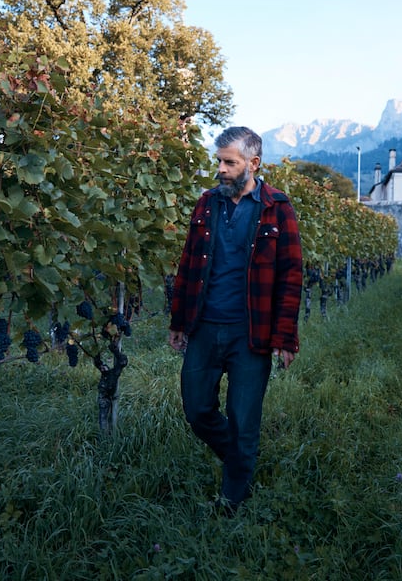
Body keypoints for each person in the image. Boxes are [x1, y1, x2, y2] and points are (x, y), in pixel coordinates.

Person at [168, 126, 303, 515]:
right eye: (220, 161)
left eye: (230, 162)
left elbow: (291, 274)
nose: (222, 169)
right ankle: (242, 462)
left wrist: (284, 337)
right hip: (205, 327)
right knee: (197, 411)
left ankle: (232, 501)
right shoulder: (207, 203)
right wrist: (179, 320)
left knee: (244, 420)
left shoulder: (278, 207)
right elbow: (188, 264)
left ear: (253, 163)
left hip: (252, 333)